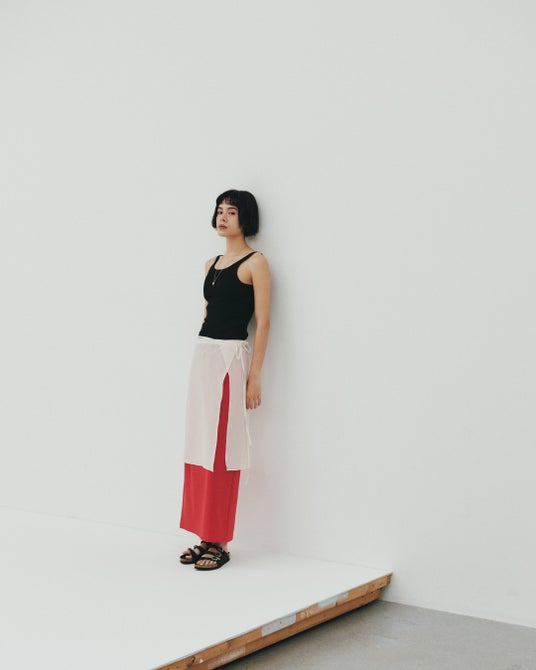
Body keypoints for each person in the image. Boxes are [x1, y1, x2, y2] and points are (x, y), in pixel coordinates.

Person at [179, 189, 271, 571]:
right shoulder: (211, 264)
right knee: (199, 443)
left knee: (222, 448)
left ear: (245, 218)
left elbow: (263, 322)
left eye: (231, 212)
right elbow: (208, 313)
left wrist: (254, 376)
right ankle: (205, 534)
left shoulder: (256, 263)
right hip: (204, 357)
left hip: (231, 360)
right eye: (219, 210)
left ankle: (222, 541)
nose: (222, 217)